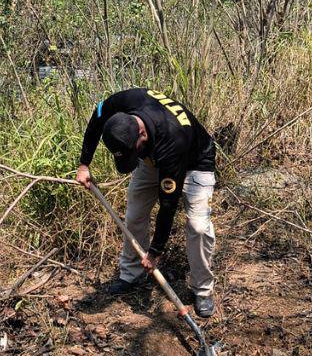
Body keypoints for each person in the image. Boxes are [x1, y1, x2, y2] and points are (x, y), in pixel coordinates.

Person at [74, 88, 218, 317]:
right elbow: (96, 118)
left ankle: (202, 290)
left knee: (198, 227)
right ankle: (131, 275)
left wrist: (155, 251)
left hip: (193, 160)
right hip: (152, 156)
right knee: (134, 215)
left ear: (141, 133)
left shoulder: (173, 138)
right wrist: (84, 164)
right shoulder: (123, 104)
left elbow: (168, 205)